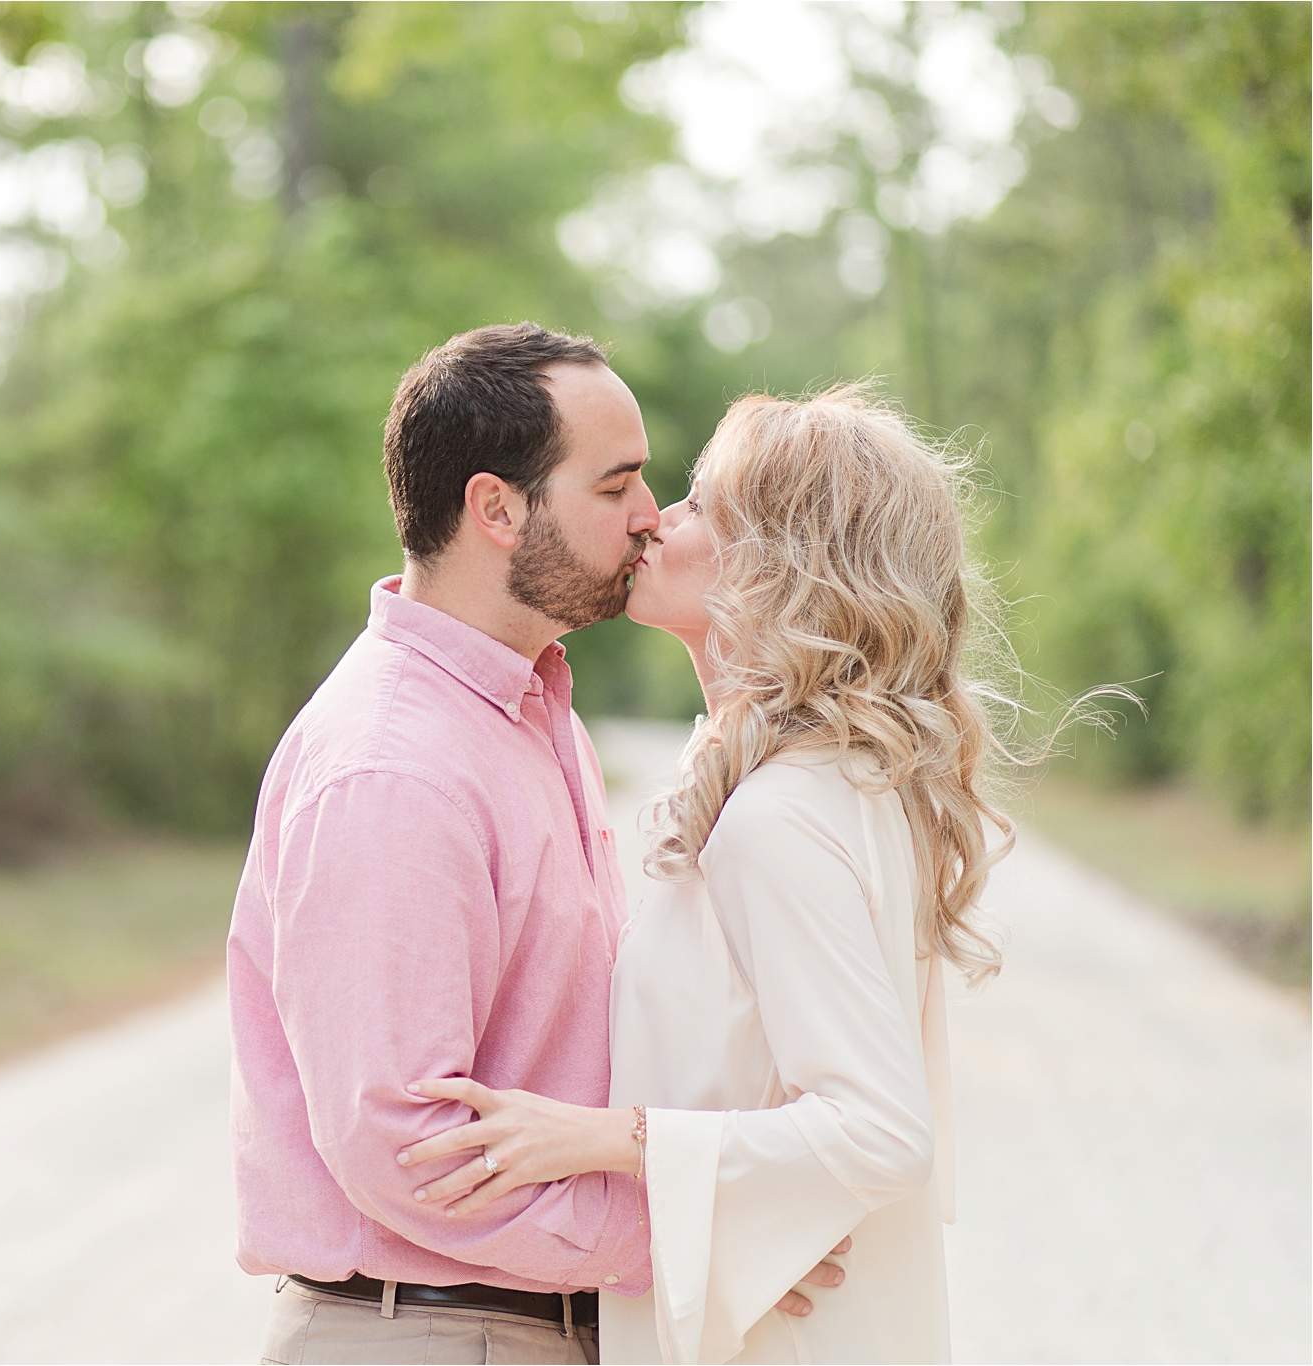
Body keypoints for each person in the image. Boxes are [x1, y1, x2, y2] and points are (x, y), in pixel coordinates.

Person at [228, 326, 841, 1366]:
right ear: (496, 509)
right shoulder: (394, 767)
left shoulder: (526, 712)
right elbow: (407, 1148)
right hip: (424, 1334)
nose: (650, 519)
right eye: (615, 487)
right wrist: (684, 1235)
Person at [398, 385, 1004, 1363]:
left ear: (776, 564)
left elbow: (881, 1130)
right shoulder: (825, 784)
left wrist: (602, 1138)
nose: (651, 520)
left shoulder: (782, 816)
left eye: (694, 506)